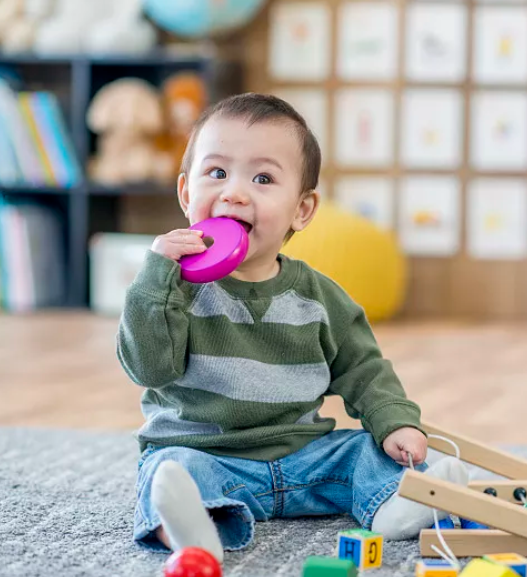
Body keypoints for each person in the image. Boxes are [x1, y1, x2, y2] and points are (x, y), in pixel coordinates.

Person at [117, 92, 468, 562]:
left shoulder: (320, 298)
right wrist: (155, 278)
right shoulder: (170, 289)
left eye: (262, 178)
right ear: (186, 194)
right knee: (171, 469)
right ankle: (193, 530)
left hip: (305, 458)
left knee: (364, 453)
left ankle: (400, 501)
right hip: (209, 453)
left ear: (301, 210)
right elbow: (149, 368)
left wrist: (394, 422)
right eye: (217, 173)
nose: (234, 192)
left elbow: (364, 369)